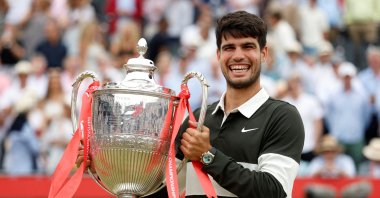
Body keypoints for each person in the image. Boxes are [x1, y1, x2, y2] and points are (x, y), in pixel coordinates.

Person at [77, 11, 305, 198]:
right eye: (229, 48)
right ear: (218, 55)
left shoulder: (282, 117)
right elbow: (161, 192)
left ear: (264, 53)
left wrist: (208, 156)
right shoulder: (198, 118)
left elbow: (274, 191)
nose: (238, 55)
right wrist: (107, 168)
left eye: (247, 47)